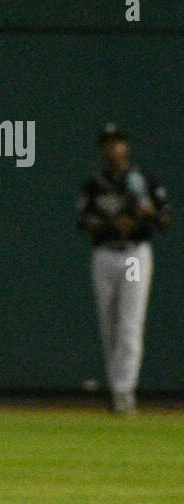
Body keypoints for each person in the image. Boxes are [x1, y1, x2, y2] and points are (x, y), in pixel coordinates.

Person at [77, 124, 170, 414]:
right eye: (108, 143)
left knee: (129, 325)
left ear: (126, 146)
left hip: (132, 256)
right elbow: (83, 220)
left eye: (118, 142)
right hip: (105, 254)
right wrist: (110, 224)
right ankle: (118, 388)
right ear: (103, 148)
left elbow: (164, 220)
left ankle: (123, 392)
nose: (113, 148)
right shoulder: (94, 183)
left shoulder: (142, 179)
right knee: (110, 325)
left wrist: (147, 213)